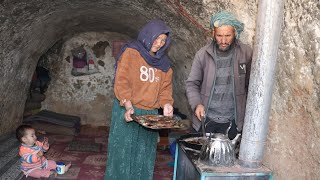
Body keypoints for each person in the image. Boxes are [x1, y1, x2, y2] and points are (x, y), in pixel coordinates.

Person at [105, 19, 174, 180]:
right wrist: (128, 105)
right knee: (122, 154)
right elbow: (122, 81)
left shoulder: (164, 64)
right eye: (156, 39)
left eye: (163, 41)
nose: (159, 44)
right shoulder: (131, 52)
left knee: (144, 155)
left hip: (150, 114)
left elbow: (165, 90)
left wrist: (167, 105)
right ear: (148, 35)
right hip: (128, 109)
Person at [186, 11, 253, 139]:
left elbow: (251, 86)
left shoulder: (246, 53)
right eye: (219, 35)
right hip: (206, 120)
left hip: (233, 122)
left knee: (228, 157)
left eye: (228, 35)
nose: (223, 40)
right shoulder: (203, 54)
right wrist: (197, 104)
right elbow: (192, 83)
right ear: (213, 34)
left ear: (235, 33)